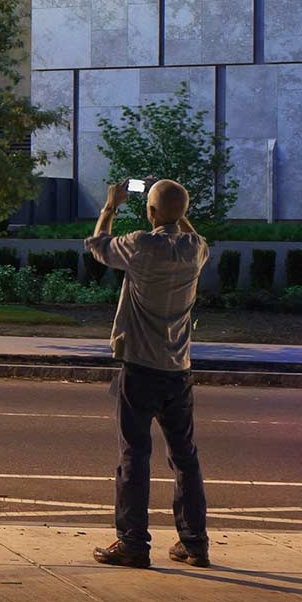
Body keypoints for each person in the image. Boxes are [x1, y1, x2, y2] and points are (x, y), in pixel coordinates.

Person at [85, 176, 209, 569]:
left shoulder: (140, 244)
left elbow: (98, 246)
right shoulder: (195, 249)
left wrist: (110, 205)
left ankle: (133, 542)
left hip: (140, 366)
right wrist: (179, 213)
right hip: (179, 370)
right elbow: (192, 232)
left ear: (149, 211)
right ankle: (194, 543)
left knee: (134, 456)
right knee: (185, 457)